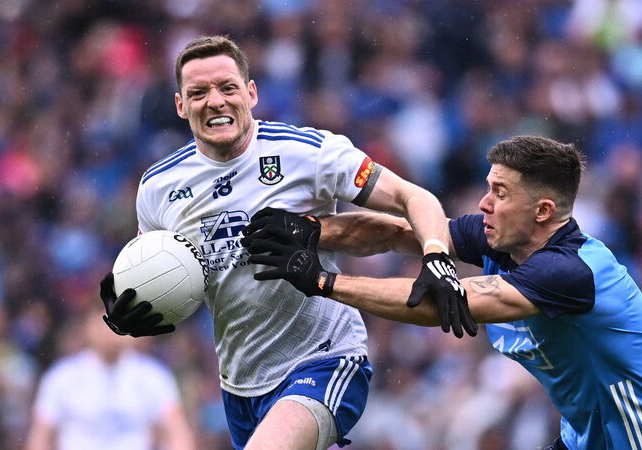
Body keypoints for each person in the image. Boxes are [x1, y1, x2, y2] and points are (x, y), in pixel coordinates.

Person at [97, 35, 474, 450]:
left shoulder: (307, 153)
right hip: (240, 385)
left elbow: (412, 197)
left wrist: (436, 256)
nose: (215, 101)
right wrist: (133, 308)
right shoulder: (158, 187)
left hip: (325, 359)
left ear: (251, 93)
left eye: (227, 87)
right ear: (180, 106)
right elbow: (160, 276)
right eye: (198, 93)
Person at [243, 136, 642, 449]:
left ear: (543, 211)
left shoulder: (569, 272)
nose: (484, 203)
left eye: (500, 193)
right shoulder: (500, 238)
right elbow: (399, 233)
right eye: (488, 188)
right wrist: (313, 230)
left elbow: (438, 305)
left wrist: (324, 282)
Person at [26, 307, 194, 450]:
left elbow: (178, 433)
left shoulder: (153, 376)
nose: (110, 332)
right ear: (88, 327)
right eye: (104, 323)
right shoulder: (62, 377)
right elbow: (41, 436)